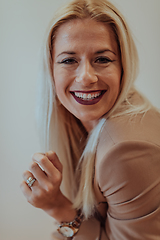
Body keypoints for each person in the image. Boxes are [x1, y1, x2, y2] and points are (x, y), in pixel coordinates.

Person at [20, 0, 160, 239]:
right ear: (51, 69)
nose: (86, 77)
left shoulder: (124, 152)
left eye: (102, 59)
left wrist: (56, 206)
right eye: (68, 60)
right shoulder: (92, 115)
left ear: (123, 67)